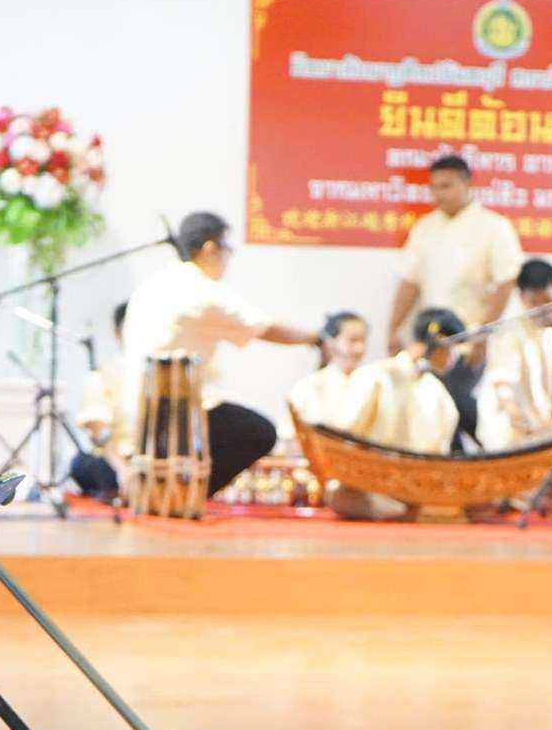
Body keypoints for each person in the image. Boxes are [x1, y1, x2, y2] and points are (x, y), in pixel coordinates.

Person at [118, 211, 320, 498]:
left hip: (139, 407)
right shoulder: (201, 290)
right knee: (259, 432)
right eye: (227, 249)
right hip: (176, 411)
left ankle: (166, 489)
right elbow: (265, 327)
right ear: (210, 248)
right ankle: (184, 493)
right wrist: (316, 337)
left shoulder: (154, 284)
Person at [320, 309, 467, 521]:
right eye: (452, 348)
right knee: (346, 495)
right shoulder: (375, 375)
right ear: (438, 342)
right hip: (368, 484)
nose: (455, 358)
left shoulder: (438, 393)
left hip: (418, 489)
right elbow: (342, 435)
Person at [387, 154, 524, 366]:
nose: (439, 194)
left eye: (446, 186)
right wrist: (393, 329)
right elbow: (409, 282)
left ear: (467, 184)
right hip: (430, 341)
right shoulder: (425, 227)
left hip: (470, 342)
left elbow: (506, 282)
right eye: (434, 187)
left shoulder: (494, 226)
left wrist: (483, 335)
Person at [478, 257, 552, 450]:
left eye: (547, 300)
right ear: (521, 298)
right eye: (533, 302)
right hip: (520, 430)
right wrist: (518, 416)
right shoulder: (510, 332)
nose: (541, 309)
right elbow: (502, 383)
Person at [70, 299, 131, 500]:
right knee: (82, 464)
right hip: (118, 460)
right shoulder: (104, 374)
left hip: (157, 462)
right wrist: (122, 470)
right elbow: (98, 433)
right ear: (118, 333)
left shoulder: (162, 369)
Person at [285, 310, 370, 439]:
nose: (360, 348)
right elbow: (290, 436)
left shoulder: (372, 382)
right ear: (331, 342)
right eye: (353, 340)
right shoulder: (308, 386)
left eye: (363, 340)